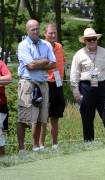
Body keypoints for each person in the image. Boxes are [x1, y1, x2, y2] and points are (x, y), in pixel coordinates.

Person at [70, 27, 105, 141]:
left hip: (103, 86)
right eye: (89, 39)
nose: (92, 41)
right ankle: (89, 143)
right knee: (87, 116)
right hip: (86, 86)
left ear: (97, 39)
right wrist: (75, 91)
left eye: (94, 39)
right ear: (85, 41)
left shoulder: (104, 51)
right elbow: (74, 73)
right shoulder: (78, 54)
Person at [17, 19, 56, 152]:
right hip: (28, 83)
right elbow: (30, 66)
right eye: (32, 29)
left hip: (43, 84)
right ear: (27, 30)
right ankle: (22, 149)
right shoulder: (23, 45)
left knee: (41, 118)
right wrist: (44, 61)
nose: (35, 31)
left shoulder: (46, 45)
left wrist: (39, 62)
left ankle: (36, 147)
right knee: (24, 118)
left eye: (37, 29)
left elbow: (53, 64)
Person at [39, 24, 66, 150]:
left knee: (55, 116)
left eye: (54, 33)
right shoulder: (41, 47)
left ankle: (55, 145)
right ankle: (41, 146)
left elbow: (63, 64)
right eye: (50, 33)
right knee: (44, 116)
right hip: (46, 84)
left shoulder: (59, 46)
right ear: (45, 34)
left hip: (58, 84)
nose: (53, 35)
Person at [0, 60, 12, 156]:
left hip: (1, 105)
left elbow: (8, 78)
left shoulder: (0, 63)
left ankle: (2, 162)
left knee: (0, 136)